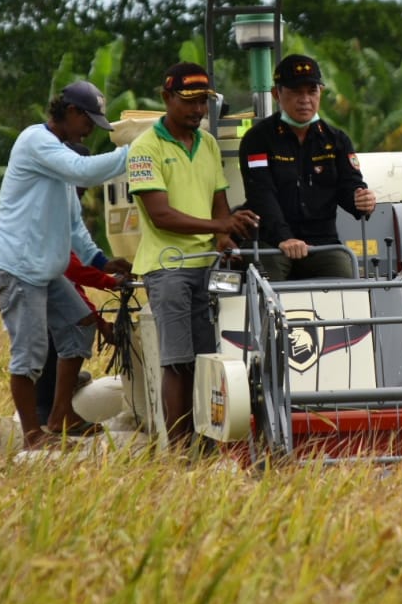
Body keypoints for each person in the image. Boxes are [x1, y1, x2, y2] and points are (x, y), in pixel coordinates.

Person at [0, 80, 130, 451]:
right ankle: (33, 436)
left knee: (81, 323)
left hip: (45, 271)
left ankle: (62, 414)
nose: (90, 130)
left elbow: (74, 226)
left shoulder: (59, 160)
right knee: (29, 356)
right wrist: (138, 152)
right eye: (88, 121)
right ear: (71, 112)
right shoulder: (37, 142)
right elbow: (84, 171)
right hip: (18, 269)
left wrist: (102, 261)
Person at [126, 62, 259, 448]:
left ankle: (208, 447)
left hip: (207, 266)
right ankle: (181, 451)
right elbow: (161, 215)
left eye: (203, 101)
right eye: (189, 101)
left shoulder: (209, 144)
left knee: (209, 361)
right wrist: (221, 227)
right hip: (168, 268)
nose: (198, 110)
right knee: (179, 362)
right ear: (166, 98)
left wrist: (225, 241)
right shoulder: (144, 149)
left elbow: (221, 203)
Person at [238, 54, 376, 281]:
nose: (305, 99)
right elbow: (261, 194)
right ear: (277, 94)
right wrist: (284, 238)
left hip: (322, 243)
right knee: (263, 289)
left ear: (320, 92)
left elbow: (349, 187)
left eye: (312, 91)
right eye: (295, 92)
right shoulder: (257, 139)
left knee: (348, 285)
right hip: (270, 242)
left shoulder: (337, 140)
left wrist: (362, 201)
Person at [34, 142, 132, 429]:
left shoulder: (61, 199)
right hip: (37, 283)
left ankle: (53, 407)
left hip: (44, 283)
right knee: (65, 335)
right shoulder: (55, 202)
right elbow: (69, 266)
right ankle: (50, 414)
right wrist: (108, 281)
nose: (84, 190)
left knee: (66, 334)